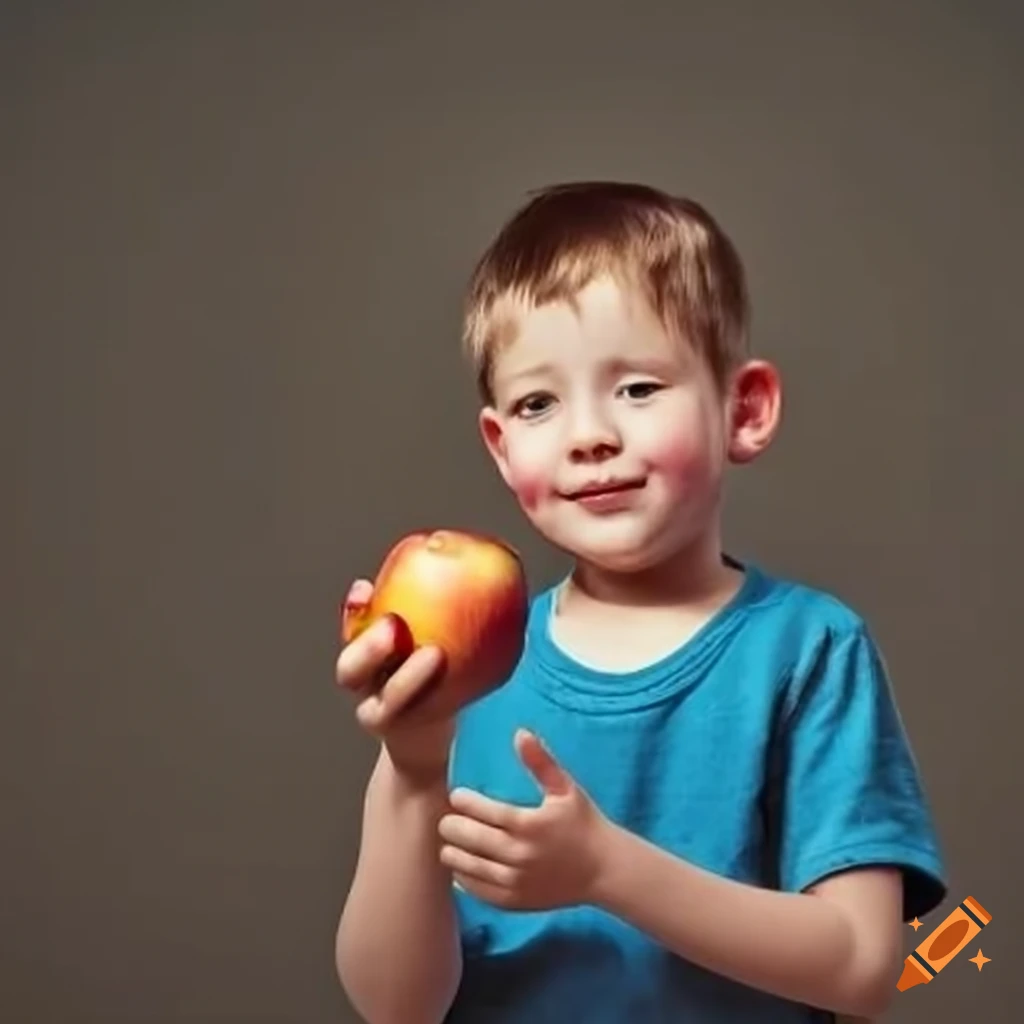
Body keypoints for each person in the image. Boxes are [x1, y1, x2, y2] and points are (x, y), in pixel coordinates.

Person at [333, 181, 946, 1024]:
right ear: (503, 449)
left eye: (638, 388)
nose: (589, 434)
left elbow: (864, 965)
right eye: (539, 402)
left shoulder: (810, 649)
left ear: (746, 408)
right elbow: (394, 1006)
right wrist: (410, 769)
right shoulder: (465, 674)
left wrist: (606, 871)